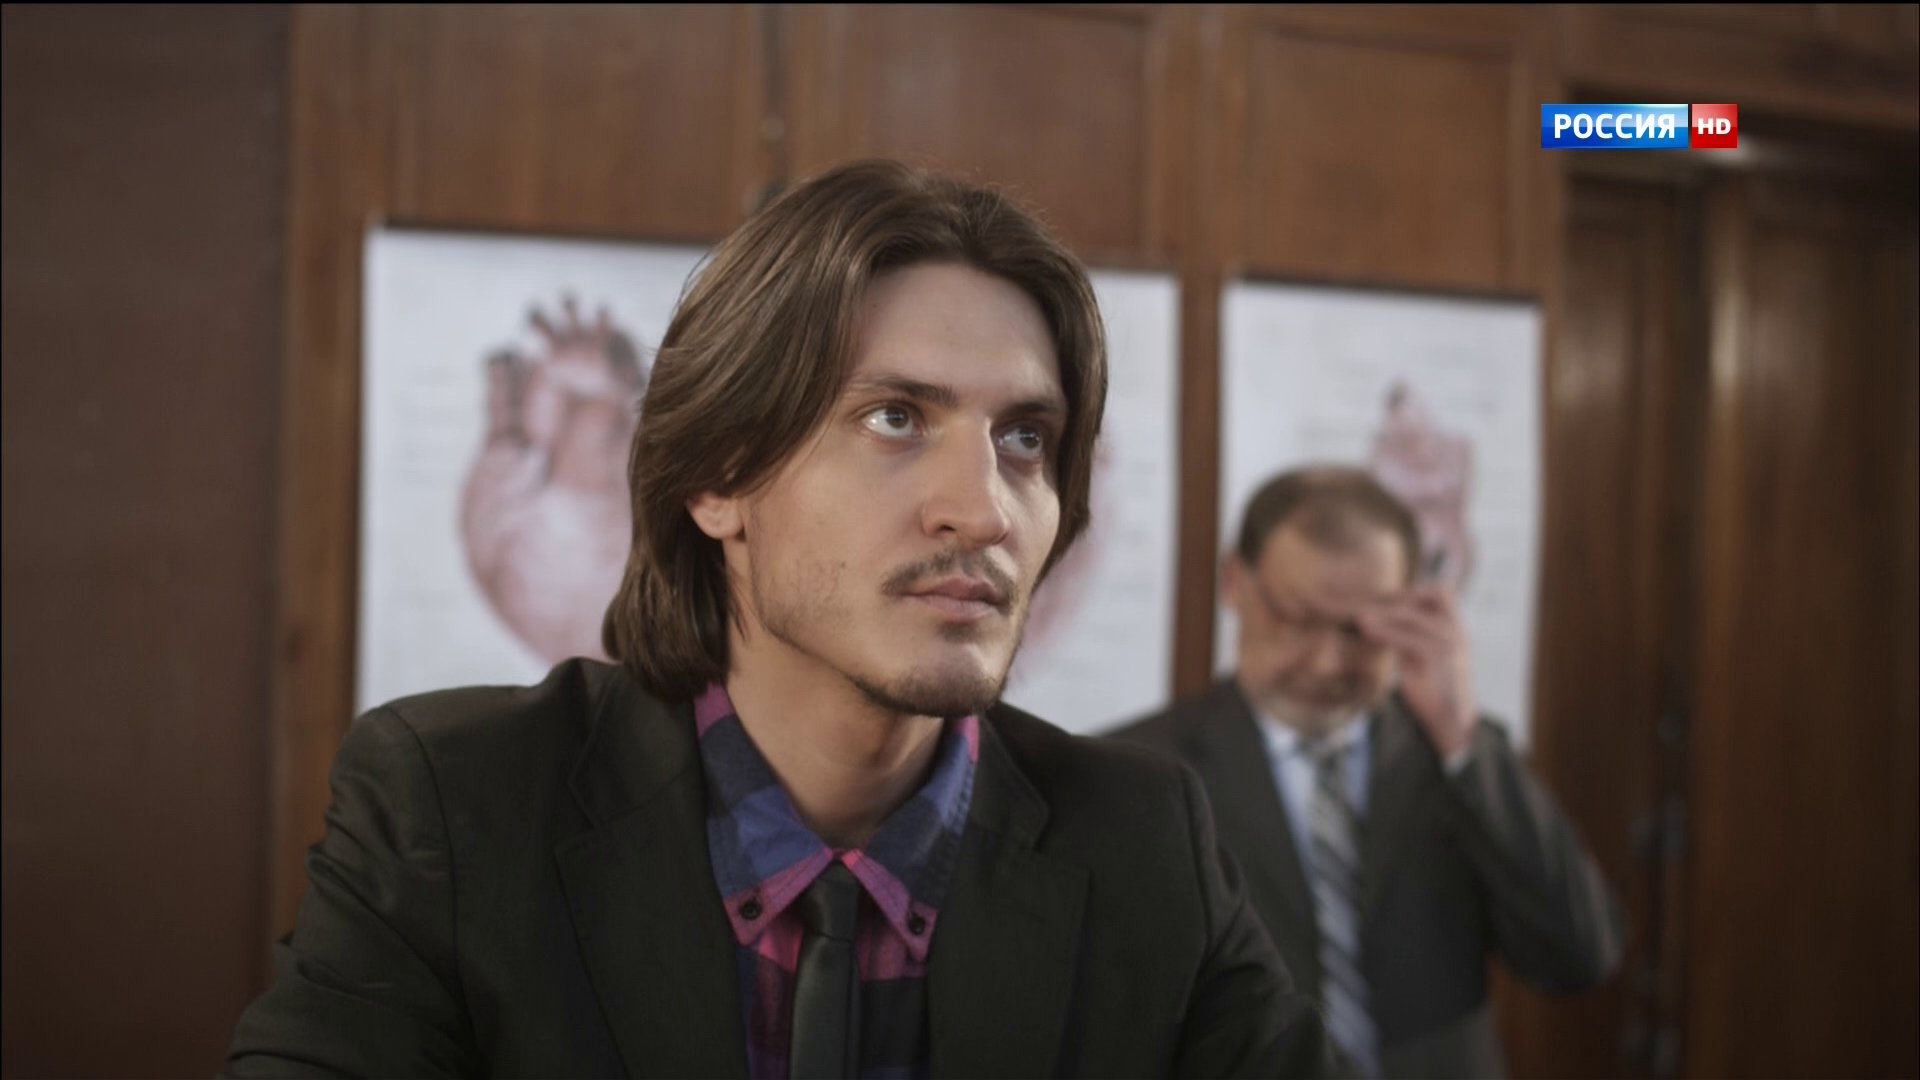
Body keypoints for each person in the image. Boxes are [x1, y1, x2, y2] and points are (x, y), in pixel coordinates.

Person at [227, 160, 1331, 1078]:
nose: (986, 509)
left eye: (1025, 438)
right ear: (718, 478)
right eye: (895, 418)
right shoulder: (455, 810)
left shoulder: (1142, 844)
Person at [1113, 466, 1625, 1079]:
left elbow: (1578, 956)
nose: (1329, 663)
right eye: (1298, 620)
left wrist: (1460, 734)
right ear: (1235, 582)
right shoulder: (1136, 771)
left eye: (1359, 629)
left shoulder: (1453, 757)